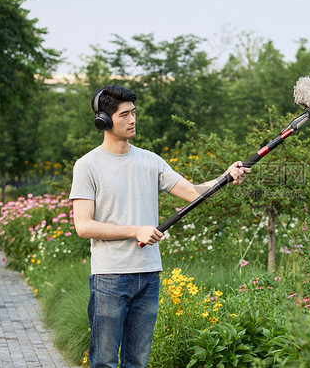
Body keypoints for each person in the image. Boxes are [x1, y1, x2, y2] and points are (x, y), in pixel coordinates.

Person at [69, 84, 250, 368]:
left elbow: (193, 192)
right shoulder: (87, 166)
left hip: (149, 275)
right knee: (103, 361)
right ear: (103, 120)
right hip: (110, 276)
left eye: (134, 113)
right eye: (125, 115)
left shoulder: (149, 160)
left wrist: (226, 177)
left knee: (137, 361)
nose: (132, 120)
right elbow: (84, 226)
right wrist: (134, 230)